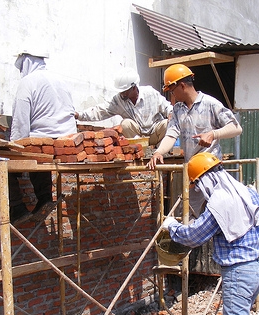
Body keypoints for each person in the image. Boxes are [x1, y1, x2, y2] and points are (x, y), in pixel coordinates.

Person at [161, 152, 259, 315]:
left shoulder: (219, 202)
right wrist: (256, 202)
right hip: (256, 271)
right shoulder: (247, 192)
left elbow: (193, 236)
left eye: (196, 184)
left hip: (238, 274)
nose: (196, 189)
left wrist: (171, 226)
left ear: (204, 179)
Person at [147, 63, 243, 217]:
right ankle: (192, 240)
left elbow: (236, 128)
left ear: (182, 86)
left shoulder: (210, 104)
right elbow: (171, 134)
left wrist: (213, 134)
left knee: (218, 213)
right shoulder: (178, 109)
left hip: (211, 170)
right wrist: (159, 152)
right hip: (193, 172)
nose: (173, 96)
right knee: (188, 214)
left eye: (172, 91)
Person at [9, 49, 77, 224]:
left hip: (46, 141)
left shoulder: (28, 82)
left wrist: (14, 149)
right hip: (68, 143)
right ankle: (45, 198)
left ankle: (17, 209)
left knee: (9, 164)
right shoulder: (60, 80)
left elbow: (20, 122)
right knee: (43, 155)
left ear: (26, 62)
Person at [75, 68, 172, 146]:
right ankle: (138, 151)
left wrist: (171, 114)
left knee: (167, 124)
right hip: (137, 137)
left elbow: (167, 107)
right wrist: (79, 115)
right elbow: (100, 111)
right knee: (125, 124)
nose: (122, 94)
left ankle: (160, 152)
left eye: (125, 91)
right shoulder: (118, 100)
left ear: (134, 87)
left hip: (155, 133)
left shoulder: (150, 93)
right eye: (121, 91)